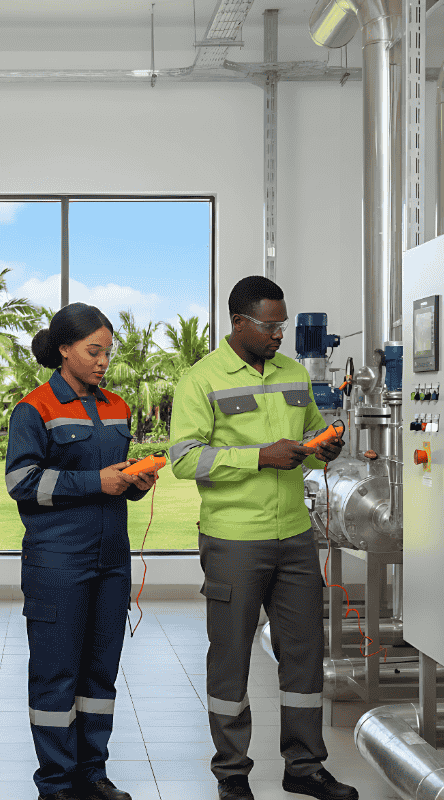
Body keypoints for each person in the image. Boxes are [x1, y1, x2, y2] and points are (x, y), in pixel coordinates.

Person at [168, 276, 358, 800]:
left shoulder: (292, 372)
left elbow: (312, 431)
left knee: (304, 655)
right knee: (230, 658)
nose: (279, 334)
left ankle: (305, 767)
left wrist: (324, 446)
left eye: (283, 325)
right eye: (270, 325)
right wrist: (259, 456)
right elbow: (183, 458)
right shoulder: (201, 379)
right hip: (233, 538)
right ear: (239, 322)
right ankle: (232, 773)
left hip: (295, 535)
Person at [5, 303, 157, 800]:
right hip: (57, 562)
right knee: (56, 675)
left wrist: (134, 481)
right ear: (65, 349)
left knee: (100, 675)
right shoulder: (34, 409)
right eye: (94, 351)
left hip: (111, 560)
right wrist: (97, 481)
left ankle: (93, 774)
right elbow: (22, 482)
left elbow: (114, 479)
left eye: (108, 352)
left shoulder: (118, 407)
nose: (103, 362)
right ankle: (56, 782)